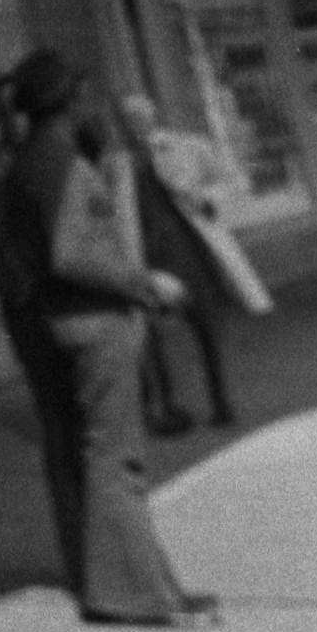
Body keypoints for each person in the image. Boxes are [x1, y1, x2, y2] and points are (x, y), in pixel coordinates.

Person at [0, 50, 215, 629]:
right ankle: (137, 594)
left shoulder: (19, 166)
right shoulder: (61, 163)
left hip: (52, 322)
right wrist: (146, 284)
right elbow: (75, 253)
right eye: (84, 94)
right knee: (115, 459)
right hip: (94, 321)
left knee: (82, 455)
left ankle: (113, 580)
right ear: (69, 99)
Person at [0, 70, 86, 590]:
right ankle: (83, 557)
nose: (19, 120)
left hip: (64, 310)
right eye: (9, 111)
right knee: (65, 434)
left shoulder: (39, 160)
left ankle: (101, 554)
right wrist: (39, 306)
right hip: (41, 320)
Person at [125, 93, 260, 432]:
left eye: (140, 117)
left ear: (154, 116)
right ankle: (166, 405)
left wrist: (205, 199)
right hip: (150, 255)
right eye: (129, 119)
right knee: (152, 335)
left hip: (187, 248)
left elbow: (227, 184)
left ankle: (220, 399)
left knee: (206, 325)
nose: (135, 125)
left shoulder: (188, 147)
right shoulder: (121, 164)